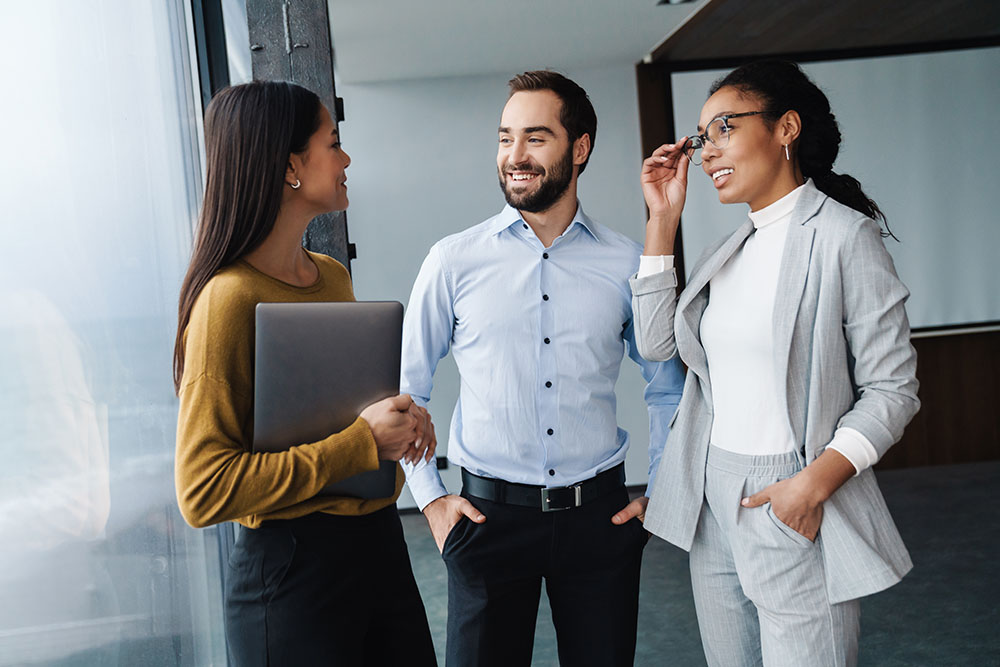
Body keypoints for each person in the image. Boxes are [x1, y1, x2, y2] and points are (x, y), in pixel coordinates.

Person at [631, 60, 920, 667]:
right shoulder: (728, 250)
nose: (708, 152)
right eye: (702, 137)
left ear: (785, 128)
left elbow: (893, 389)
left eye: (725, 128)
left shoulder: (845, 237)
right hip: (712, 502)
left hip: (792, 492)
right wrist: (663, 219)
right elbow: (657, 344)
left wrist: (809, 488)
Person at [401, 70, 686, 666]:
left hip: (598, 522)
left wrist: (662, 492)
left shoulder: (627, 262)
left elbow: (667, 385)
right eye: (505, 138)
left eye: (535, 137)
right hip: (486, 521)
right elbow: (407, 390)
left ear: (578, 148)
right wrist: (430, 500)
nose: (515, 156)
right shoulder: (453, 262)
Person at [172, 81, 438, 666]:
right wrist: (362, 443)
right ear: (291, 164)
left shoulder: (331, 276)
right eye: (332, 143)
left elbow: (334, 415)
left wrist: (401, 421)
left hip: (379, 553)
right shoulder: (226, 301)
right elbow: (201, 490)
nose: (345, 160)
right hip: (292, 577)